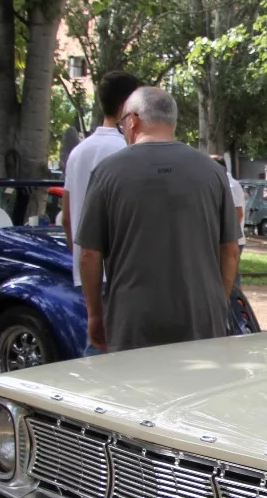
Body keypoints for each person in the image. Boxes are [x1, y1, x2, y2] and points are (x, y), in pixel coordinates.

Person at [77, 87, 241, 353]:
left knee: (136, 392)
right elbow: (231, 251)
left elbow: (89, 255)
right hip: (200, 317)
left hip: (133, 320)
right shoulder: (213, 173)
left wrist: (95, 315)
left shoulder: (107, 173)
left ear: (133, 120)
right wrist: (216, 303)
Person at [62, 71, 140, 287]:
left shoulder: (77, 153)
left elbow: (67, 218)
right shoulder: (129, 150)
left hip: (86, 275)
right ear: (126, 104)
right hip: (124, 275)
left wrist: (81, 261)